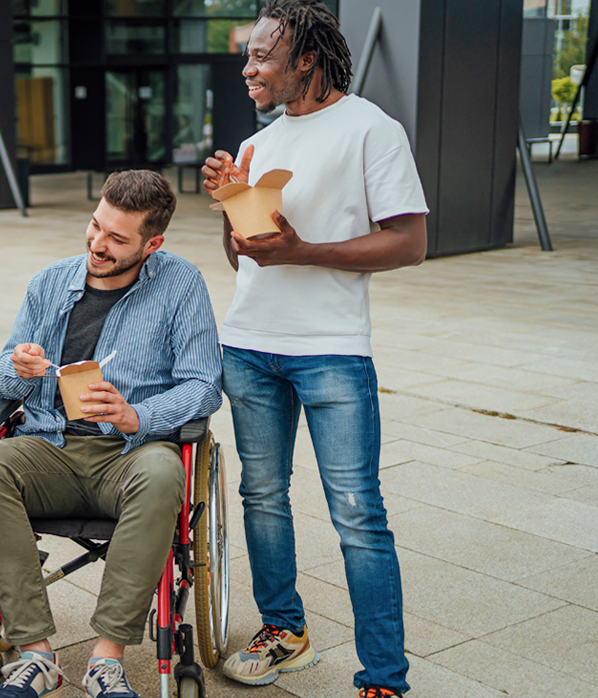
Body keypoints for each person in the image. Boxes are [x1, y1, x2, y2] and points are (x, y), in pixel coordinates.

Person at [201, 2, 428, 697]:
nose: (248, 69)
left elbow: (411, 241)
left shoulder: (370, 129)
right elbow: (246, 261)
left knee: (358, 512)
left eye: (262, 56)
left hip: (331, 350)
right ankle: (284, 630)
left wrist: (305, 250)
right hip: (248, 345)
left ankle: (384, 677)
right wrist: (232, 206)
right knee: (262, 496)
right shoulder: (260, 143)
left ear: (306, 59)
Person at [0, 170, 223, 698]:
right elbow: (3, 375)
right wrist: (20, 366)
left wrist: (138, 416)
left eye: (118, 238)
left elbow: (204, 385)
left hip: (130, 452)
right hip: (51, 446)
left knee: (162, 471)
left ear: (153, 244)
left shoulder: (181, 285)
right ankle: (36, 657)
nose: (98, 245)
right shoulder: (51, 282)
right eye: (96, 226)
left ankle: (108, 659)